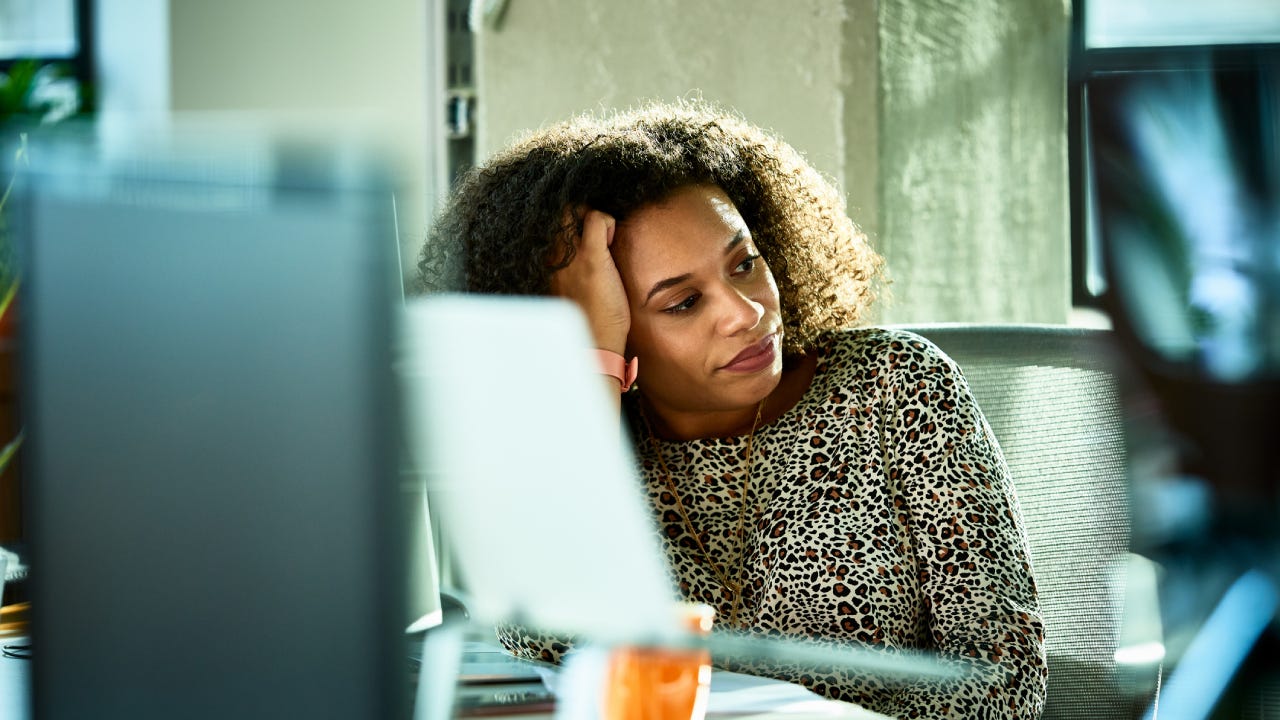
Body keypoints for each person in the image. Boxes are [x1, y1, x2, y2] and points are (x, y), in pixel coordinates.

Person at [418, 100, 1047, 718]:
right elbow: (548, 656)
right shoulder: (580, 451)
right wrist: (594, 370)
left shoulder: (897, 386)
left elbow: (1003, 678)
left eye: (744, 264)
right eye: (683, 302)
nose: (746, 312)